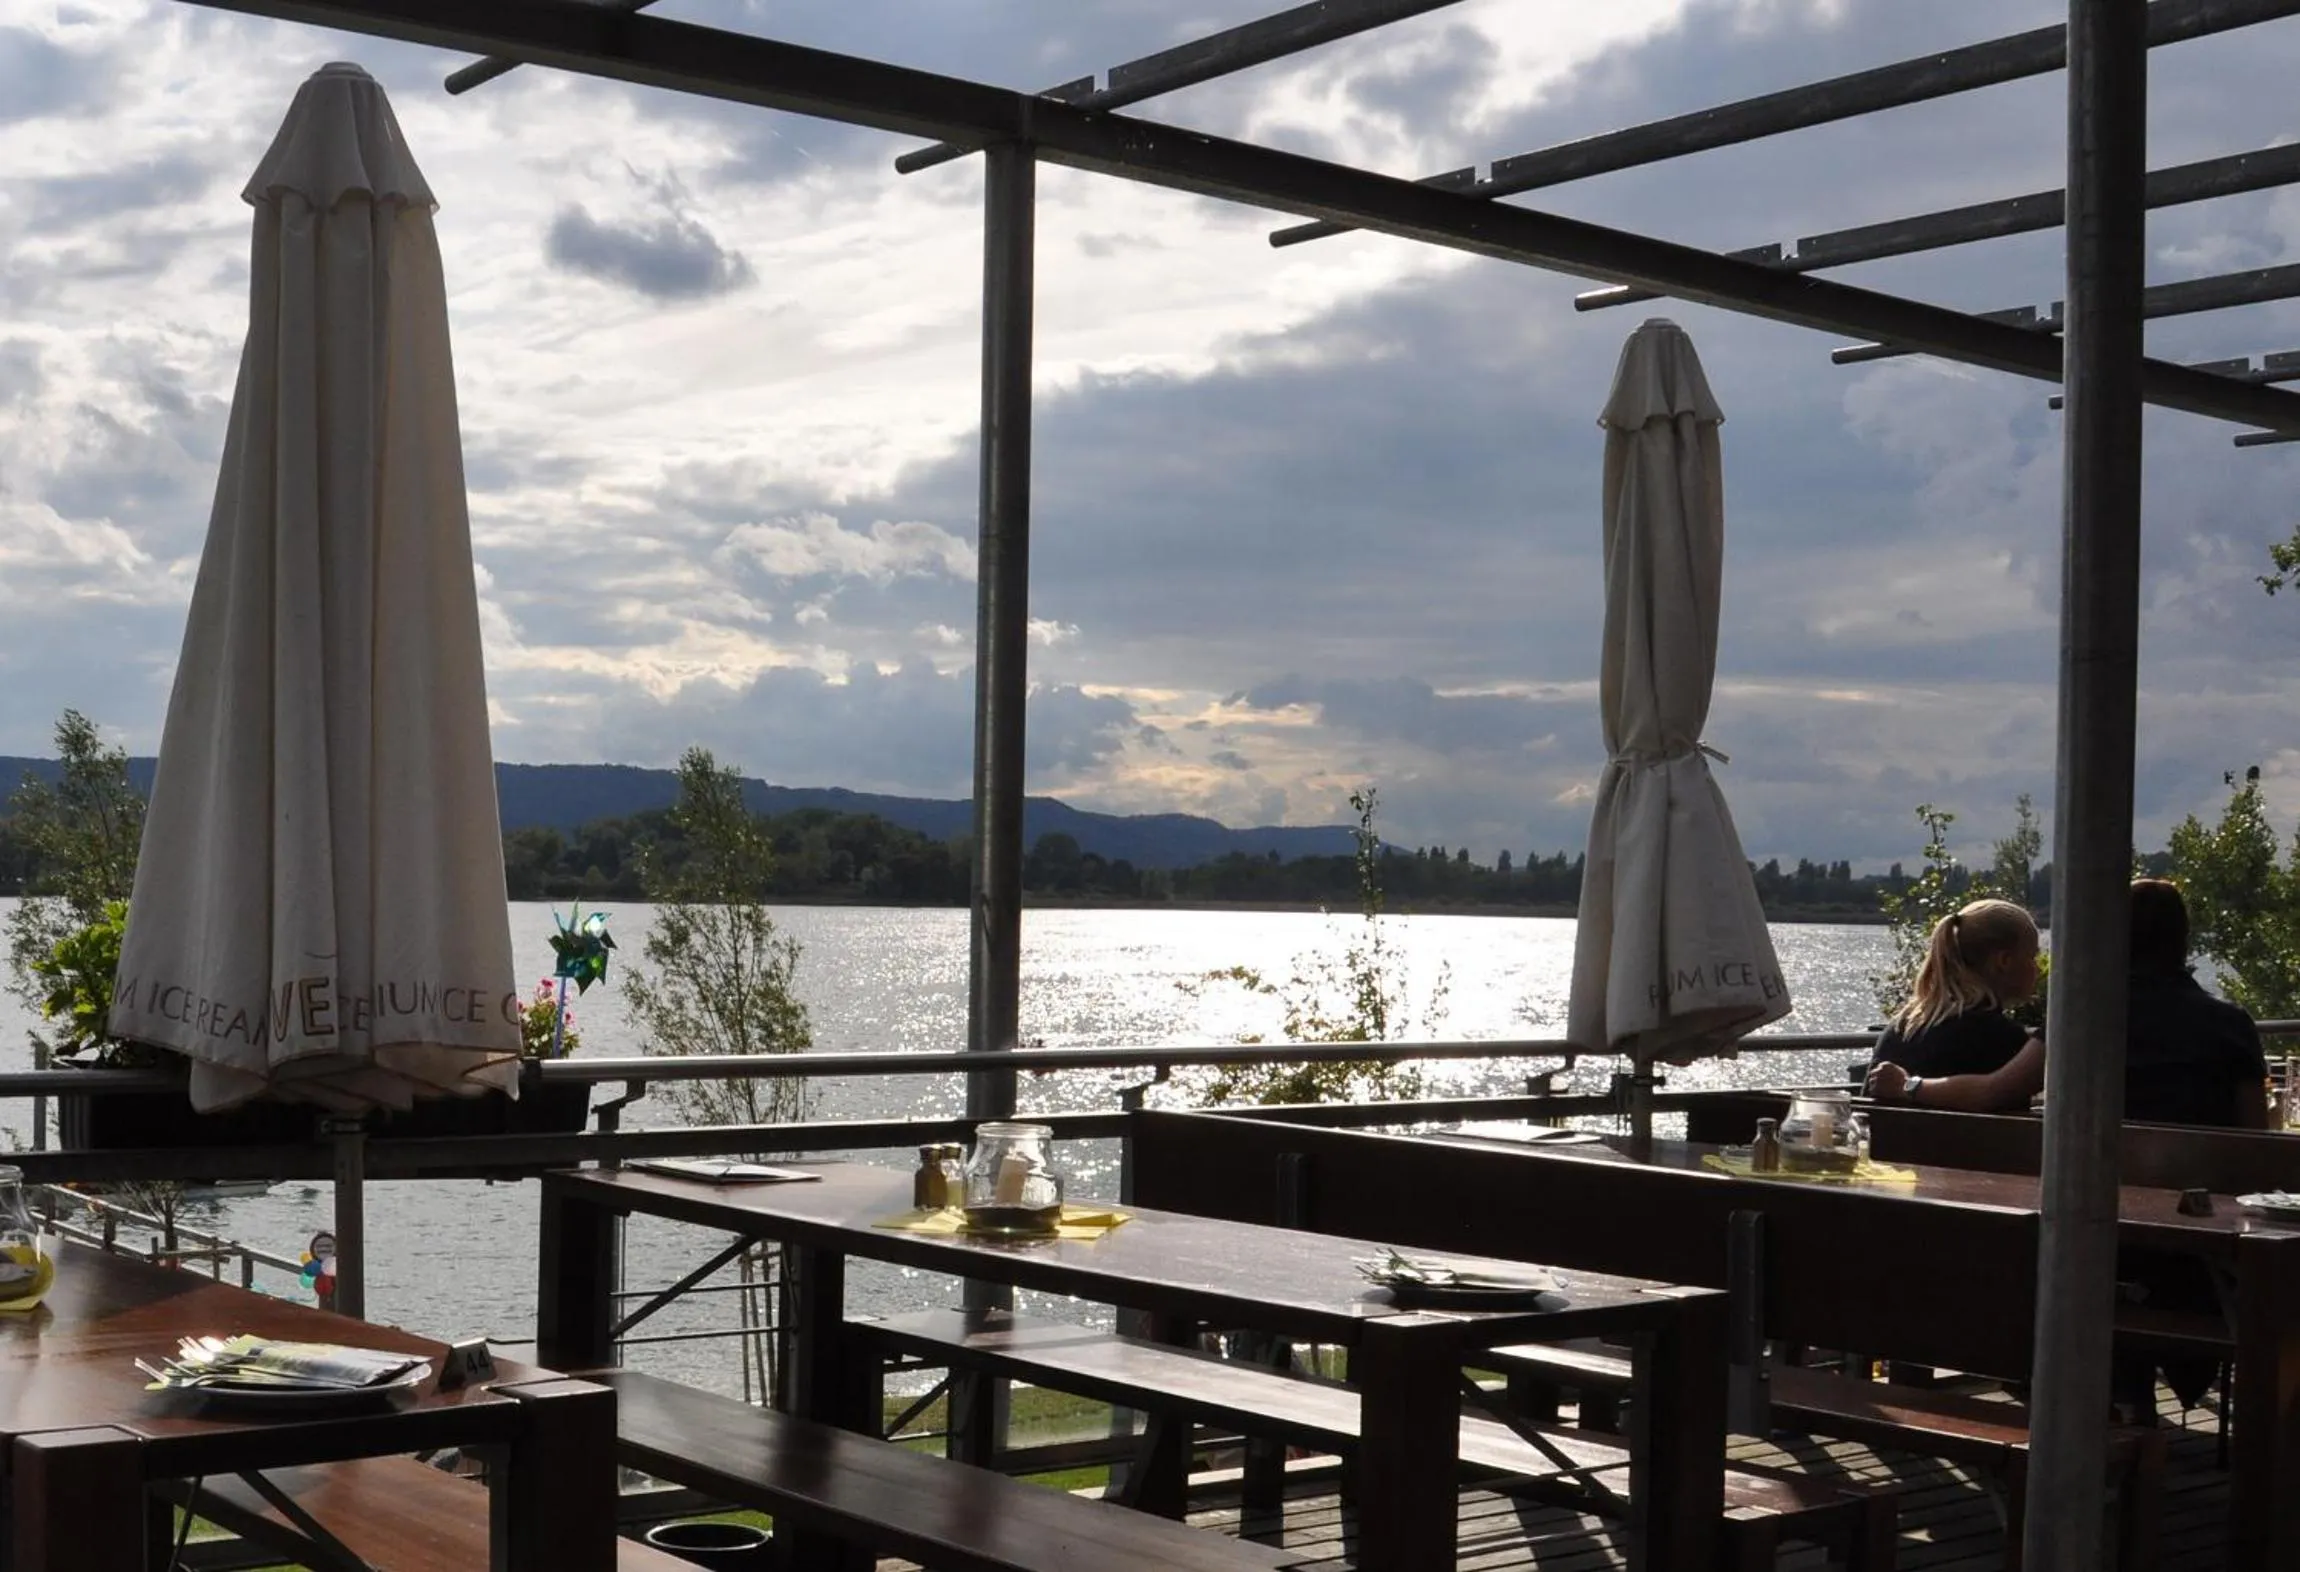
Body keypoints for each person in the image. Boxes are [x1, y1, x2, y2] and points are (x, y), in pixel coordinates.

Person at [1863, 899, 2045, 1112]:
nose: (2038, 968)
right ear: (2004, 961)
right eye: (2032, 956)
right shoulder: (2005, 1038)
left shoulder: (1901, 1027)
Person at [2122, 878, 2269, 1129]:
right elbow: (2256, 1134)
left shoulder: (2086, 1022)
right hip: (2207, 1156)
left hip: (2105, 1155)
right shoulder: (2232, 1025)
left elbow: (2036, 1085)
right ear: (2183, 939)